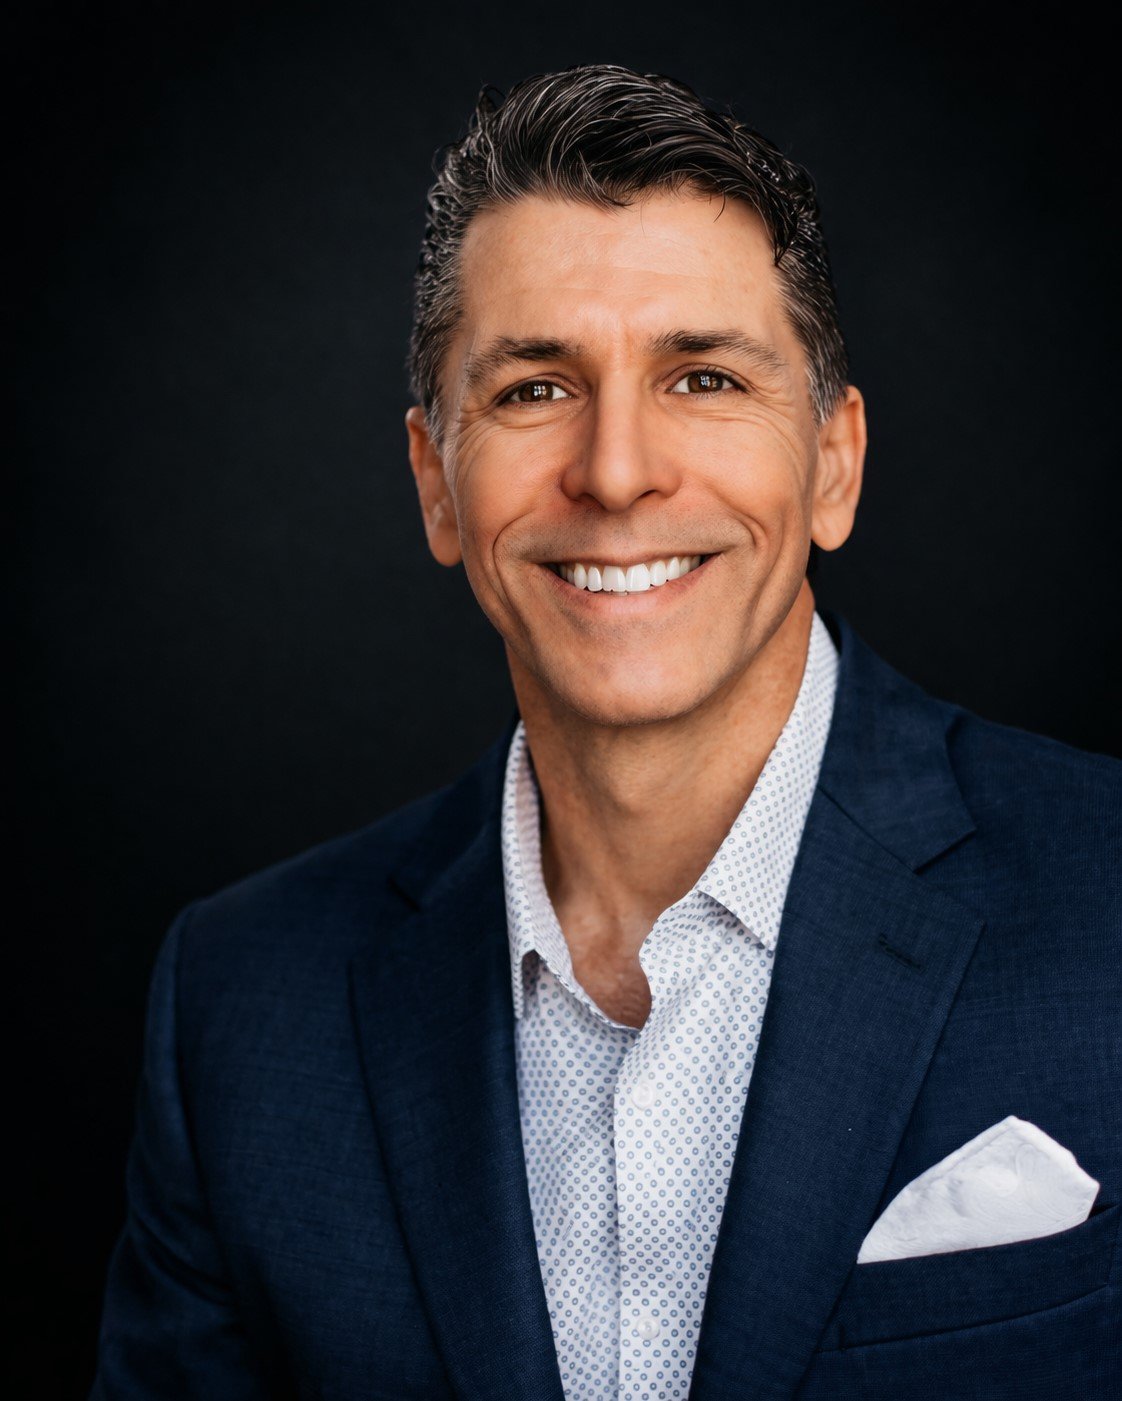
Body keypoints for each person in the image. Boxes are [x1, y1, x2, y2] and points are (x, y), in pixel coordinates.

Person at [91, 64, 1120, 1400]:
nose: (617, 468)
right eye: (532, 389)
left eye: (699, 377)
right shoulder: (241, 1007)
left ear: (832, 465)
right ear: (434, 484)